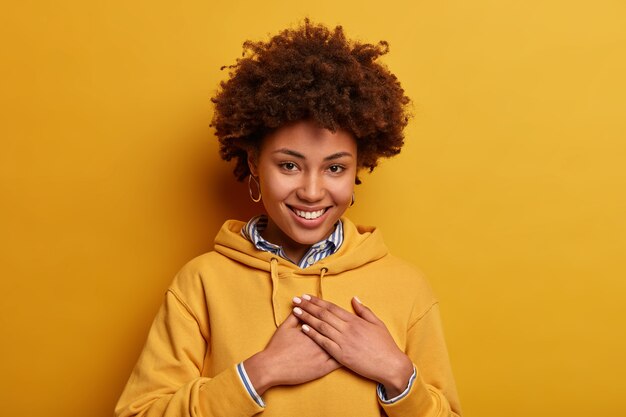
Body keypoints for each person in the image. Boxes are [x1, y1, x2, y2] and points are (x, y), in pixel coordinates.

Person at [115, 20, 462, 417]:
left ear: (357, 170)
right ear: (254, 164)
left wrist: (398, 374)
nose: (312, 192)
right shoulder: (201, 284)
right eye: (289, 165)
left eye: (334, 169)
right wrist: (259, 373)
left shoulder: (406, 287)